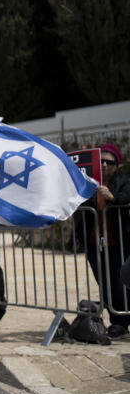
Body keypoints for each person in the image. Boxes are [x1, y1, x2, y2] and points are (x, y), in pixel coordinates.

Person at [80, 143, 130, 338]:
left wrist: (113, 198)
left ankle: (122, 319)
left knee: (120, 282)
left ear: (116, 165)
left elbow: (126, 196)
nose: (105, 165)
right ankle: (117, 322)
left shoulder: (123, 182)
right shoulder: (89, 184)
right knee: (105, 284)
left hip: (118, 241)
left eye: (109, 161)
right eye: (101, 161)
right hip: (95, 242)